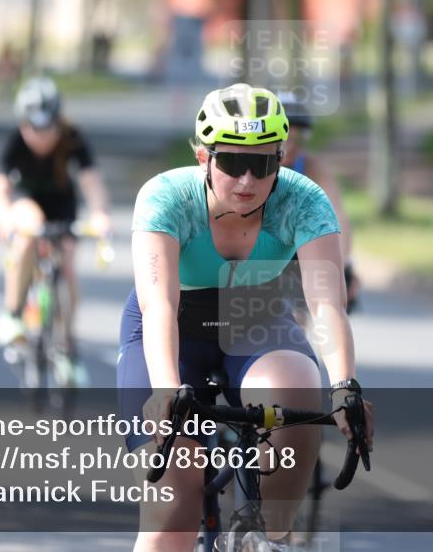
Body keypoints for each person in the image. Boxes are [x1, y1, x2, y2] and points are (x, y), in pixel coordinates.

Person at [118, 83, 374, 550]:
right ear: (203, 158)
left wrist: (345, 386)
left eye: (264, 163)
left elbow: (326, 304)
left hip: (254, 317)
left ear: (281, 158)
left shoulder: (302, 200)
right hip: (172, 327)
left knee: (299, 392)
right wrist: (165, 391)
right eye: (233, 162)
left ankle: (266, 536)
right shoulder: (165, 197)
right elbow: (159, 305)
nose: (247, 180)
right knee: (173, 503)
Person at [0, 76, 112, 387]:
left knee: (67, 265)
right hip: (25, 201)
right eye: (33, 129)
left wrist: (100, 215)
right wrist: (3, 220)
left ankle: (67, 347)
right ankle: (12, 314)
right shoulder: (13, 140)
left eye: (48, 129)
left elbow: (91, 181)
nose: (41, 137)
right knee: (29, 227)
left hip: (62, 204)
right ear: (23, 123)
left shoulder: (72, 138)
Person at [278, 92, 361, 315]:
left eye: (298, 139)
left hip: (296, 245)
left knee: (300, 315)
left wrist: (343, 265)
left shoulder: (312, 166)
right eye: (285, 138)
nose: (291, 146)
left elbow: (338, 216)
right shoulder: (256, 166)